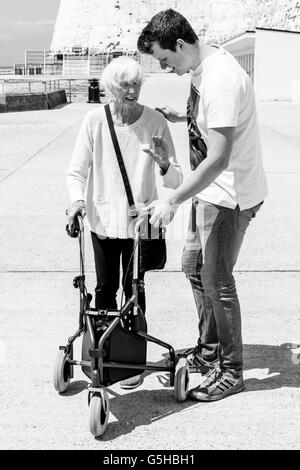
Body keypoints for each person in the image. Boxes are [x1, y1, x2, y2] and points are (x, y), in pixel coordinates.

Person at [137, 9, 268, 401]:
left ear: (180, 44)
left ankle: (231, 370)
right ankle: (210, 351)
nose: (165, 68)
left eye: (165, 59)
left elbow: (220, 157)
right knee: (194, 266)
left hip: (229, 195)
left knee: (217, 281)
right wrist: (182, 117)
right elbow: (211, 123)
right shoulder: (200, 69)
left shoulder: (221, 79)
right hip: (210, 192)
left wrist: (172, 199)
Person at [66, 56, 183, 388]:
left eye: (136, 84)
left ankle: (132, 361)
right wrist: (77, 200)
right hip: (102, 220)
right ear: (110, 87)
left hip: (140, 221)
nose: (131, 91)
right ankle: (106, 360)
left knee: (135, 291)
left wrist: (163, 164)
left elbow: (176, 180)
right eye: (124, 85)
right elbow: (77, 171)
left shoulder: (155, 121)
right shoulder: (94, 121)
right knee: (105, 290)